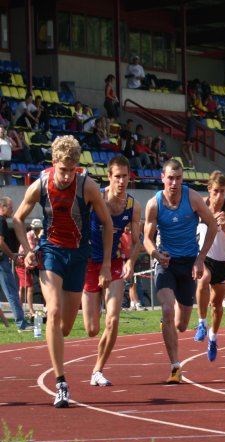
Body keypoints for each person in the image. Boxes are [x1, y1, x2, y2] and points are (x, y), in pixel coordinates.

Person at [12, 136, 114, 407]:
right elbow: (18, 218)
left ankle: (56, 342)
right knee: (54, 311)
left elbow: (107, 223)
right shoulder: (41, 184)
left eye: (72, 170)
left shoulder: (87, 186)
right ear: (53, 162)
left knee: (66, 327)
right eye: (63, 170)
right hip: (51, 252)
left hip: (79, 256)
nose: (67, 176)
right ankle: (61, 383)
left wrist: (105, 264)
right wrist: (28, 250)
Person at [142, 159, 217, 384]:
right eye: (170, 178)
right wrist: (156, 254)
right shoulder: (154, 204)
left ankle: (170, 323)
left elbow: (212, 225)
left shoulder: (192, 198)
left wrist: (201, 259)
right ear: (162, 178)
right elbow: (146, 238)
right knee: (167, 310)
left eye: (178, 178)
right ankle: (175, 367)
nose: (174, 183)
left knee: (181, 325)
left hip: (189, 264)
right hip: (166, 263)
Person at [81, 156, 141, 386]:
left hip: (115, 262)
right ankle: (95, 306)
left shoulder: (133, 206)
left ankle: (98, 369)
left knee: (113, 319)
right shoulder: (95, 198)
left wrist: (130, 262)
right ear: (109, 177)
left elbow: (136, 241)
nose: (121, 181)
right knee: (92, 329)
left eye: (125, 176)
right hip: (90, 264)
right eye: (117, 176)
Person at [192, 171, 225, 362]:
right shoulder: (200, 205)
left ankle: (213, 337)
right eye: (215, 191)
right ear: (209, 190)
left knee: (217, 306)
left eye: (222, 191)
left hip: (223, 262)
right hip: (204, 258)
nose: (219, 196)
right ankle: (201, 323)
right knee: (203, 280)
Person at [0, 196, 28, 331]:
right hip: (1, 262)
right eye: (10, 207)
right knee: (12, 292)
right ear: (2, 208)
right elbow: (0, 242)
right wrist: (13, 257)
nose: (12, 210)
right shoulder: (1, 221)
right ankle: (21, 324)